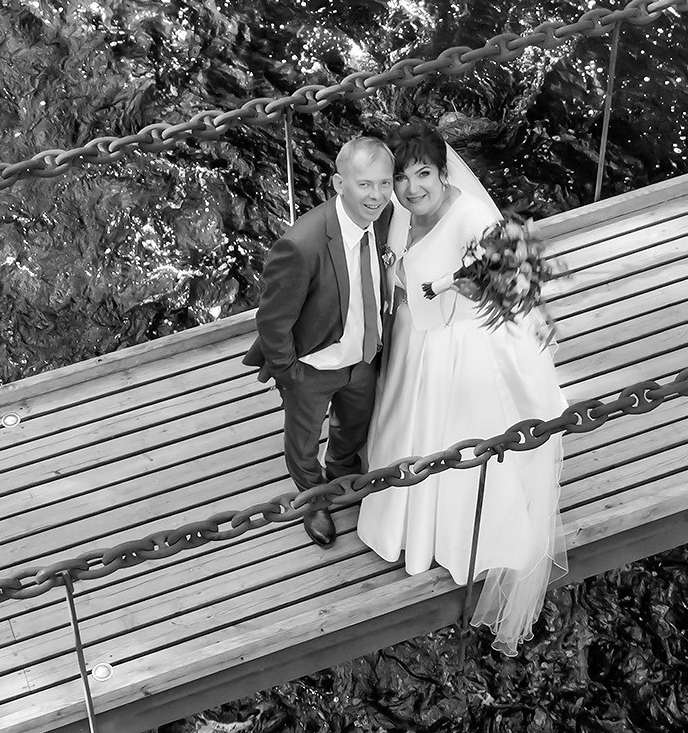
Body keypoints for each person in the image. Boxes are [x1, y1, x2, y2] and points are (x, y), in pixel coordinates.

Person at [357, 123, 567, 654]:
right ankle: (401, 523)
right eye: (401, 178)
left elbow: (506, 279)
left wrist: (468, 287)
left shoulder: (473, 218)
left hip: (450, 350)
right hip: (413, 337)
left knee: (446, 437)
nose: (410, 189)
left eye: (422, 174)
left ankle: (436, 534)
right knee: (402, 425)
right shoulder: (402, 210)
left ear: (444, 173)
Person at [243, 136, 398, 549]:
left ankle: (340, 475)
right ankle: (312, 498)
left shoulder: (383, 219)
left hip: (362, 358)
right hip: (312, 365)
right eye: (365, 184)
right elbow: (273, 321)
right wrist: (290, 375)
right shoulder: (301, 245)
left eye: (384, 183)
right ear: (338, 184)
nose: (377, 195)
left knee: (353, 426)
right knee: (304, 437)